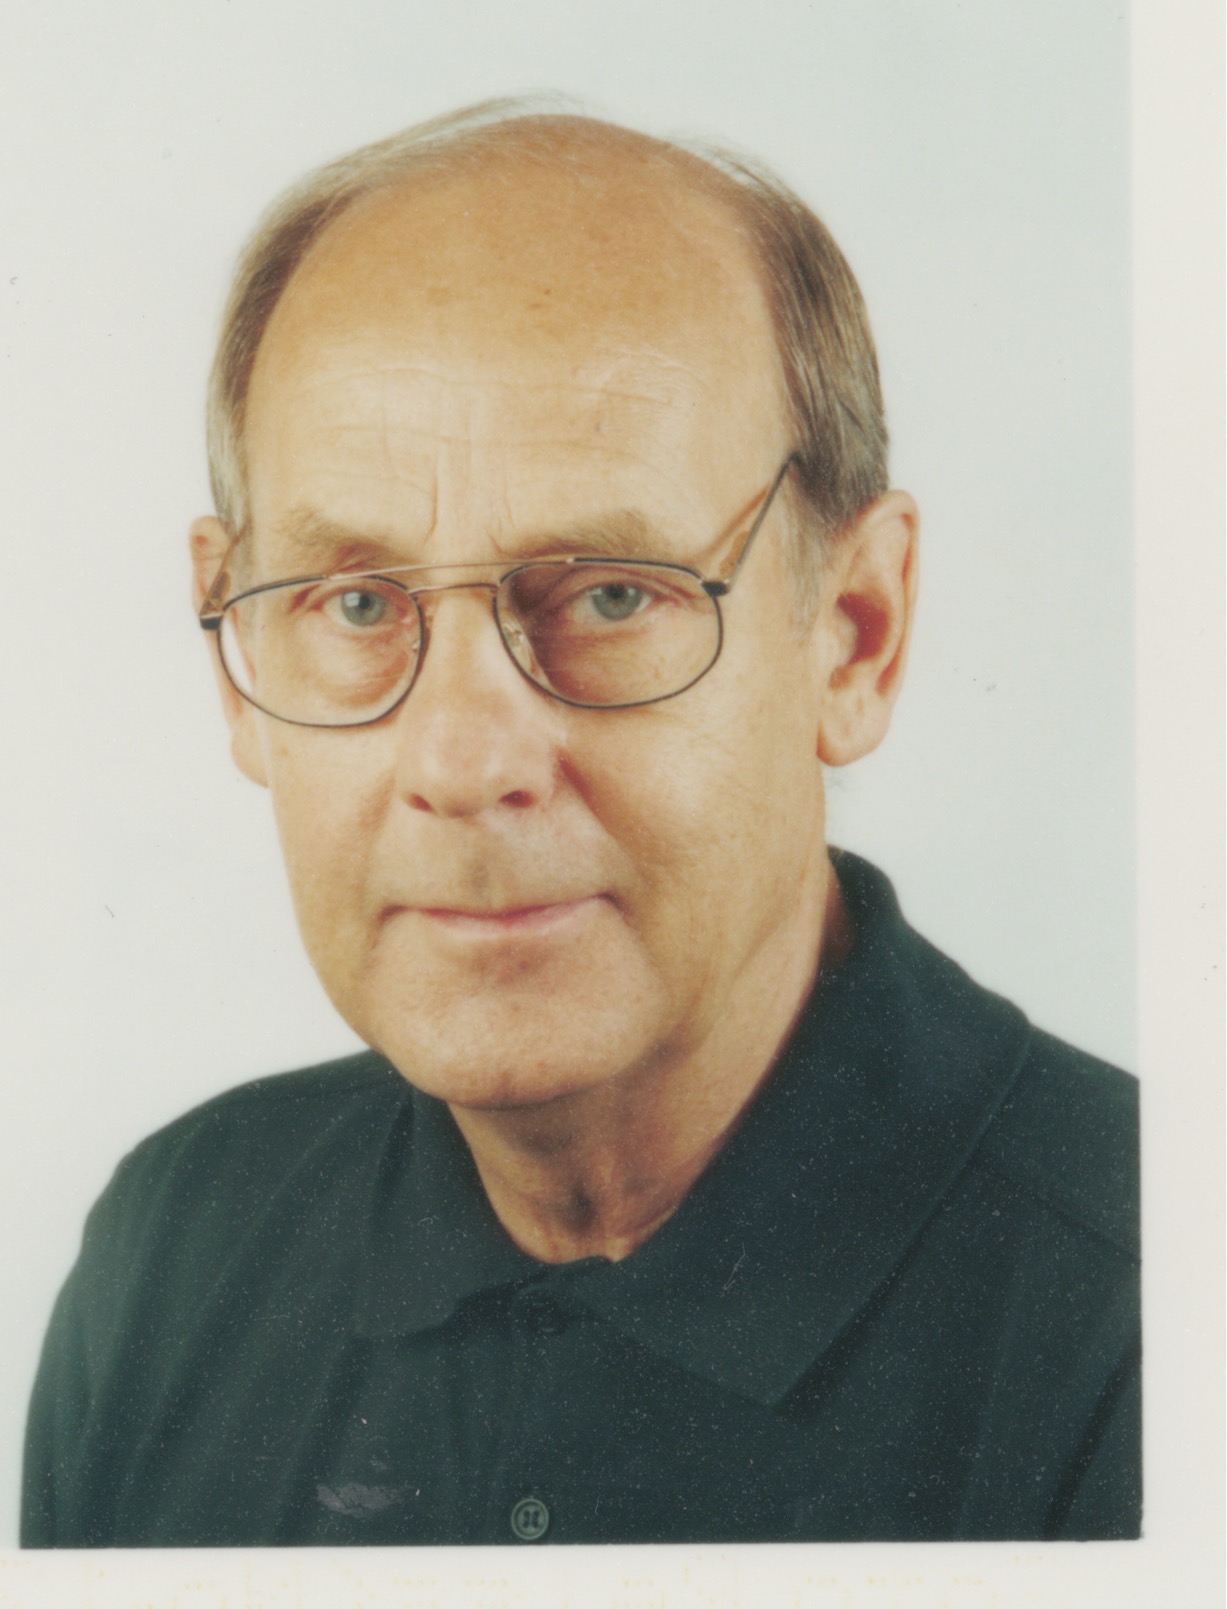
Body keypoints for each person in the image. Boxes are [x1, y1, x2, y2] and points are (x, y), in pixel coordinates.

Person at [22, 100, 1140, 1548]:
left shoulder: (1159, 1321)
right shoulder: (171, 1252)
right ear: (235, 660)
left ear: (855, 634)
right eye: (354, 603)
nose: (464, 762)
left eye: (613, 594)